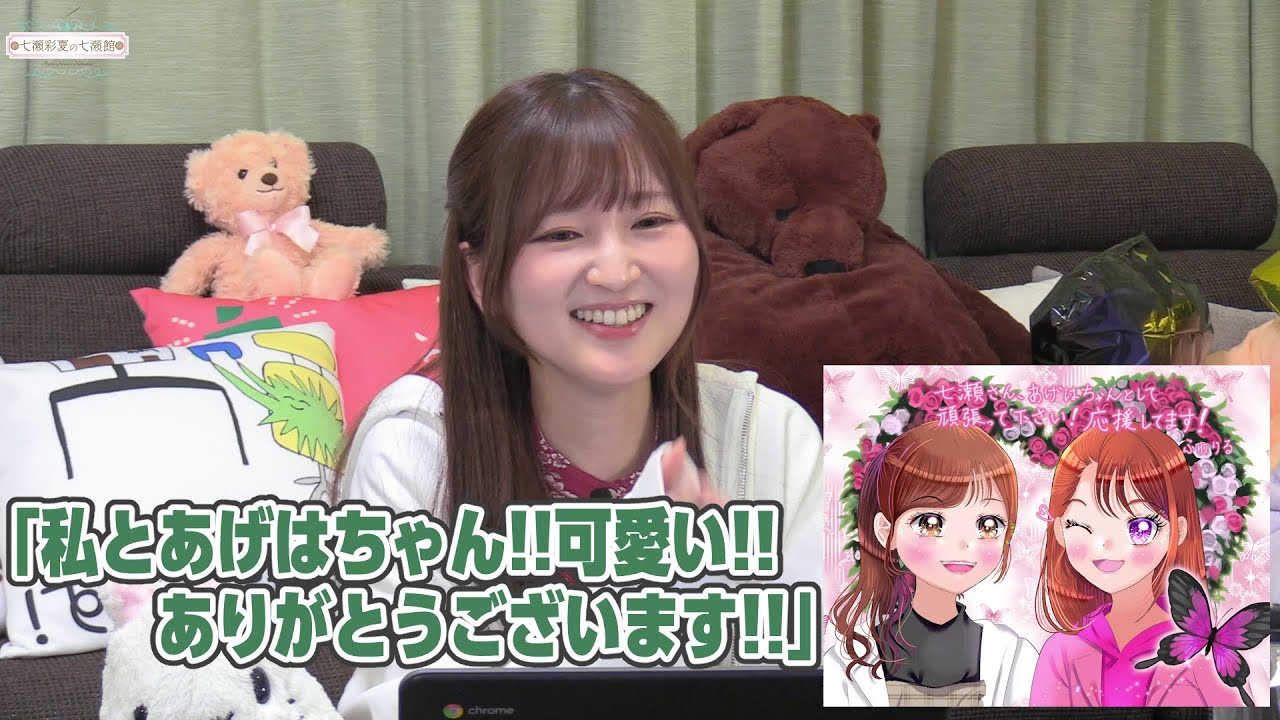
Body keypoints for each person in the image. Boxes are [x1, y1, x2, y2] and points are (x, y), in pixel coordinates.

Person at [333, 68, 822, 720]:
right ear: (480, 274)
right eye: (562, 233)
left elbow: (857, 683)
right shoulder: (414, 450)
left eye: (650, 220)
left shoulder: (769, 436)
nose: (616, 271)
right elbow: (401, 701)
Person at [823, 422, 1038, 707]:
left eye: (987, 525)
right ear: (886, 531)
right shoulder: (850, 660)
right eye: (930, 523)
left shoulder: (1013, 656)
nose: (962, 544)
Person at [1031, 426, 1243, 706]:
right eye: (1081, 524)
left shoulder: (1202, 651)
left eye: (1140, 527)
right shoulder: (1063, 651)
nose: (1106, 544)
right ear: (1060, 529)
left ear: (1178, 530)